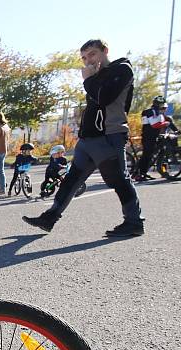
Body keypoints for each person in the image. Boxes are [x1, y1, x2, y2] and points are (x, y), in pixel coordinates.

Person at [24, 39, 144, 237]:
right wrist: (92, 79)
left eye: (93, 54)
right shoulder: (97, 75)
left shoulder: (122, 69)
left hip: (108, 135)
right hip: (88, 139)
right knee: (71, 180)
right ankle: (50, 217)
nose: (88, 61)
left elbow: (105, 98)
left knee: (118, 180)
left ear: (105, 51)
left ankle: (134, 222)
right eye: (84, 58)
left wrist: (88, 79)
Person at [136, 95, 177, 180]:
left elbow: (168, 122)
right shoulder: (150, 111)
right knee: (147, 156)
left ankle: (159, 171)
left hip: (154, 137)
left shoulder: (159, 113)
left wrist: (176, 130)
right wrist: (166, 124)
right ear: (158, 105)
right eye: (162, 105)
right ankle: (139, 174)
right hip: (148, 137)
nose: (164, 107)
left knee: (161, 151)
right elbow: (154, 125)